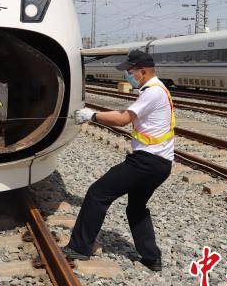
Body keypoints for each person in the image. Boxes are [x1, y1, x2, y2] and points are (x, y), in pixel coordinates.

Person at [63, 50, 174, 271]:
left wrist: (92, 116)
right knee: (136, 207)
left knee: (98, 193)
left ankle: (79, 248)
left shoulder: (152, 92)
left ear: (142, 71)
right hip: (161, 164)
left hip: (146, 162)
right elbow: (126, 113)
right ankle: (152, 258)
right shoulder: (158, 90)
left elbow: (123, 119)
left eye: (130, 72)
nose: (127, 76)